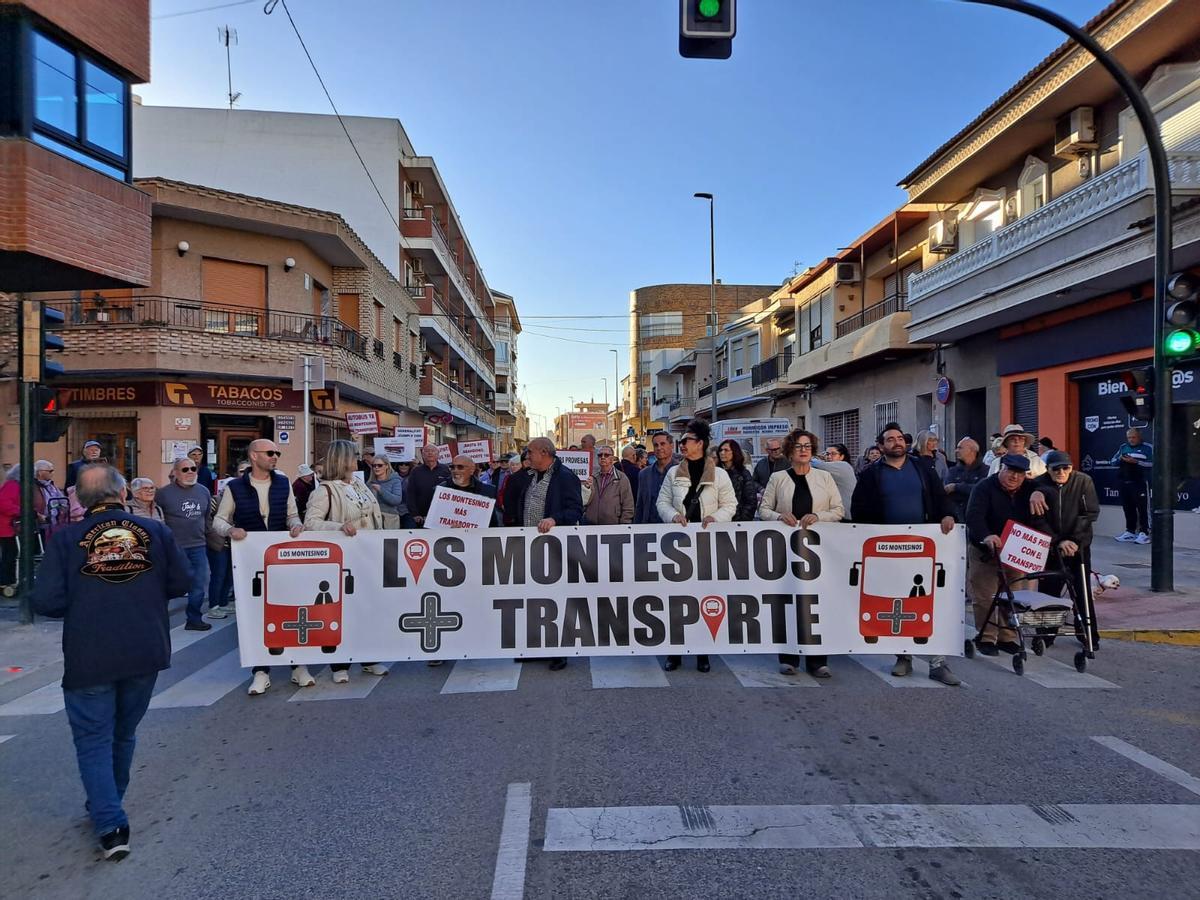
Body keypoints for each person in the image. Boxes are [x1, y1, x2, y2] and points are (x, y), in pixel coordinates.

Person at [34, 463, 191, 860]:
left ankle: (110, 823)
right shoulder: (155, 532)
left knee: (93, 738)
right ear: (123, 494)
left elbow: (47, 601)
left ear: (82, 502)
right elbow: (182, 582)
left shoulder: (66, 538)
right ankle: (108, 805)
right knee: (123, 733)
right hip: (144, 647)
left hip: (91, 651)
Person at [851, 423, 961, 686]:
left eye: (900, 438)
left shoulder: (923, 468)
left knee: (930, 602)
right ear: (881, 446)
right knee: (896, 603)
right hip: (888, 551)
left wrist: (948, 515)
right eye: (890, 439)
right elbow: (859, 509)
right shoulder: (870, 475)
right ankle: (903, 657)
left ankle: (938, 662)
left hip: (925, 547)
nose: (896, 442)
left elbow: (939, 497)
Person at [211, 439, 310, 695]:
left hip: (282, 558)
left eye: (277, 452)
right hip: (249, 561)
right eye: (270, 453)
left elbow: (292, 514)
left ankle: (298, 666)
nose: (275, 456)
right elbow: (219, 520)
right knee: (255, 616)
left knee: (291, 611)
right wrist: (231, 530)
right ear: (254, 456)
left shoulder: (283, 482)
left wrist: (296, 525)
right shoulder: (234, 487)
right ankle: (260, 671)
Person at [759, 429, 844, 678]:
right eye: (798, 446)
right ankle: (789, 658)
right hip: (786, 551)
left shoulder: (825, 478)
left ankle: (818, 660)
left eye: (807, 446)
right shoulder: (778, 478)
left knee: (817, 604)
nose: (803, 450)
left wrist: (819, 516)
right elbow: (764, 510)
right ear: (790, 452)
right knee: (788, 602)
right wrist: (778, 516)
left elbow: (838, 510)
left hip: (818, 551)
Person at [656, 419, 737, 673]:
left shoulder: (719, 474)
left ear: (700, 444)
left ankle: (703, 653)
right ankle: (675, 653)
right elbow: (663, 503)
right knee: (677, 600)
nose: (681, 445)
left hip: (706, 545)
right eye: (680, 442)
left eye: (686, 441)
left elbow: (730, 505)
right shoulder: (673, 473)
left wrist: (715, 519)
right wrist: (673, 517)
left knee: (704, 599)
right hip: (678, 546)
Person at [304, 440, 387, 683]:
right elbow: (311, 523)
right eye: (354, 455)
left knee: (367, 609)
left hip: (368, 555)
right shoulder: (325, 490)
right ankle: (339, 664)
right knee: (342, 611)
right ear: (342, 459)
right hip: (344, 559)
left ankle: (369, 658)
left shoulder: (359, 484)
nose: (358, 458)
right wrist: (339, 526)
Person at [504, 437, 583, 670]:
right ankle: (535, 647)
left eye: (530, 453)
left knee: (555, 600)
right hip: (528, 546)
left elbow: (575, 510)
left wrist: (554, 519)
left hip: (552, 548)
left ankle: (559, 650)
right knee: (532, 600)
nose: (527, 457)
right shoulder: (530, 475)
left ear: (545, 452)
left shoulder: (565, 477)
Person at [965, 454, 1051, 655]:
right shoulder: (984, 488)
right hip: (986, 550)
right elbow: (974, 516)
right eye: (1011, 471)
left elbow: (1049, 486)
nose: (1015, 477)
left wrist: (1039, 492)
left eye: (1020, 474)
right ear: (1001, 468)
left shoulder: (1030, 488)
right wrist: (986, 536)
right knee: (985, 596)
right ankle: (986, 637)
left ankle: (1007, 637)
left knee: (1012, 596)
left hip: (1015, 551)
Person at [1031, 450, 1101, 647]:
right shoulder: (1038, 484)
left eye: (1066, 468)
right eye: (1056, 468)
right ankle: (1046, 635)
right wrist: (1057, 542)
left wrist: (1073, 541)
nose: (1061, 472)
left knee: (1082, 591)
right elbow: (1037, 519)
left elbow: (1089, 513)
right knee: (1048, 593)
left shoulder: (1083, 481)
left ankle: (1087, 634)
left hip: (1078, 547)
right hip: (1052, 548)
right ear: (1048, 469)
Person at [156, 458, 215, 631]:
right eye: (185, 469)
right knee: (168, 585)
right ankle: (160, 621)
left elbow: (207, 519)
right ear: (175, 472)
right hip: (174, 548)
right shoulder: (163, 494)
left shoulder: (204, 491)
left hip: (198, 546)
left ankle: (194, 619)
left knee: (199, 584)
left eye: (193, 469)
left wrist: (213, 538)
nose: (190, 472)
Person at [1110, 427, 1152, 544]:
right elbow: (1112, 461)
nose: (1131, 440)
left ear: (1139, 437)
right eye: (1129, 437)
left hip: (1140, 482)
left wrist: (1137, 462)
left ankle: (1145, 533)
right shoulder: (1123, 447)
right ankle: (1130, 532)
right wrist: (1121, 459)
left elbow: (1153, 463)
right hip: (1124, 482)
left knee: (1143, 508)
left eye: (1134, 437)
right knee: (1128, 508)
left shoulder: (1147, 448)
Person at [584, 445, 634, 525]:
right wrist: (586, 488)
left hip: (613, 526)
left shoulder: (621, 478)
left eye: (606, 455)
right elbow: (585, 502)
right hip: (591, 525)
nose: (603, 457)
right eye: (600, 455)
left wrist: (624, 526)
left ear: (612, 458)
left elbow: (628, 505)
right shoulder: (592, 477)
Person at [635, 432, 678, 525]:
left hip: (676, 528)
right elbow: (640, 505)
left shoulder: (682, 471)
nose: (659, 448)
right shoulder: (644, 474)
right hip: (650, 529)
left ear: (671, 446)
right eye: (656, 445)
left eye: (662, 444)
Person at [944, 437, 987, 523]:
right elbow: (947, 493)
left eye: (960, 448)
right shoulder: (952, 471)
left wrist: (956, 487)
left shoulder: (985, 470)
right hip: (956, 521)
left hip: (978, 519)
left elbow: (982, 491)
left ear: (972, 450)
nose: (956, 450)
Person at [407, 445, 451, 527]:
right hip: (421, 517)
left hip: (441, 516)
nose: (430, 453)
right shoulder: (416, 471)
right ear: (423, 455)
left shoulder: (446, 470)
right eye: (427, 451)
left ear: (438, 454)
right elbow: (411, 493)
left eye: (433, 451)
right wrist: (415, 514)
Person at [717, 439, 758, 522]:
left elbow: (751, 500)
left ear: (734, 452)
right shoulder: (715, 472)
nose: (722, 453)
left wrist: (742, 520)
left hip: (738, 522)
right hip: (718, 519)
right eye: (720, 450)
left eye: (726, 450)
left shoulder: (743, 473)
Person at [813, 446, 856, 519]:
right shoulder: (829, 470)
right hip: (835, 514)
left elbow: (814, 463)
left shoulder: (843, 466)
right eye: (827, 454)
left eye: (833, 454)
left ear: (842, 456)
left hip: (845, 514)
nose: (829, 456)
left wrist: (813, 456)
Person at [368, 454, 410, 528]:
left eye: (380, 465)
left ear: (387, 466)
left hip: (390, 519)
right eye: (374, 465)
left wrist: (381, 490)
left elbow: (396, 500)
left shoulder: (395, 480)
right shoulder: (369, 483)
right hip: (372, 519)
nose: (376, 467)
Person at [35, 459, 70, 540]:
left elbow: (63, 500)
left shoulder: (51, 485)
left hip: (55, 524)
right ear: (40, 472)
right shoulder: (33, 487)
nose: (53, 473)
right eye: (50, 471)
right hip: (40, 525)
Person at [0, 465, 20, 591]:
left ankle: (9, 581)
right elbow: (3, 503)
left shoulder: (13, 484)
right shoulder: (13, 485)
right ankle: (5, 582)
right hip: (7, 526)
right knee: (9, 555)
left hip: (10, 526)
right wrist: (21, 511)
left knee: (11, 554)